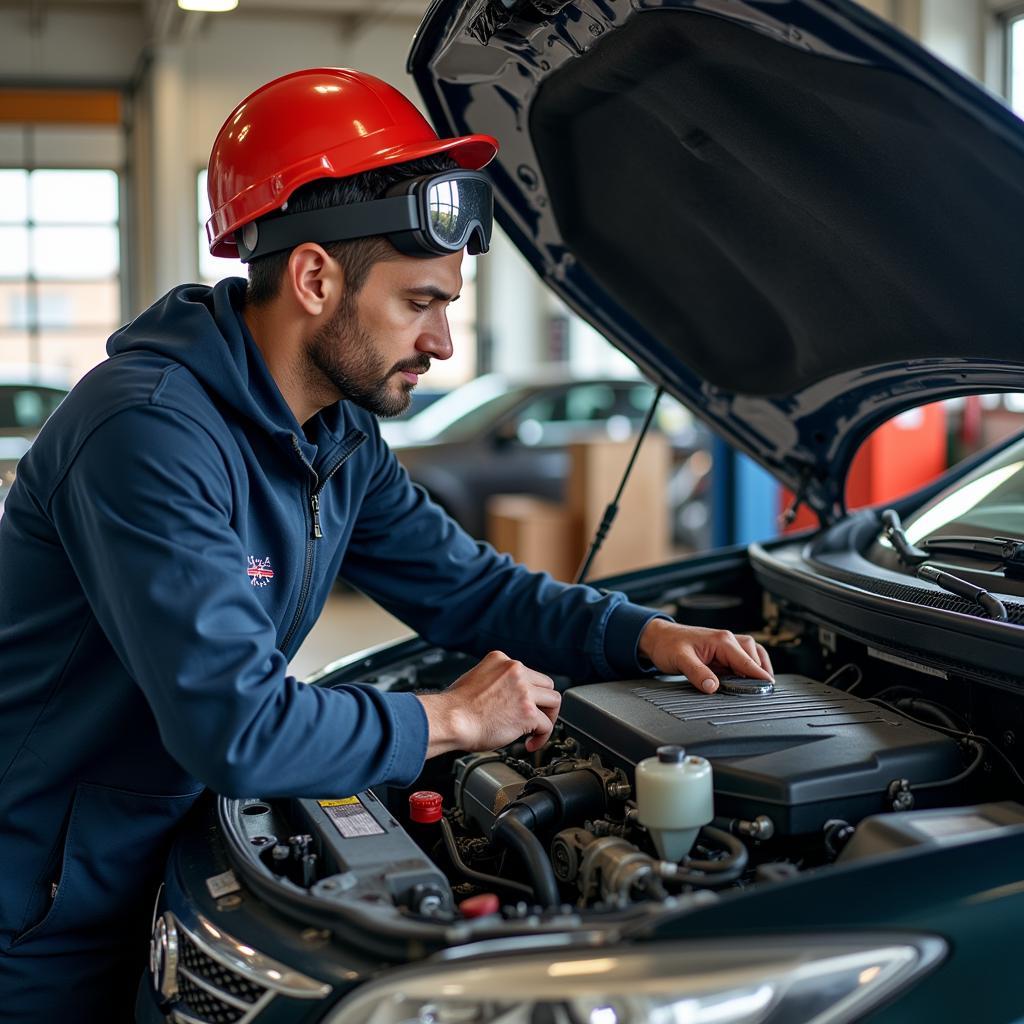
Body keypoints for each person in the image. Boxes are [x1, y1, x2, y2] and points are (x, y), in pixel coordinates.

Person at [0, 68, 773, 1018]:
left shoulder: (337, 436)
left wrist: (648, 635)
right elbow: (236, 727)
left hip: (148, 861)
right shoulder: (148, 434)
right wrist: (451, 719)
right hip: (35, 912)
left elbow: (471, 589)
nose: (444, 342)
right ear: (316, 277)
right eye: (419, 303)